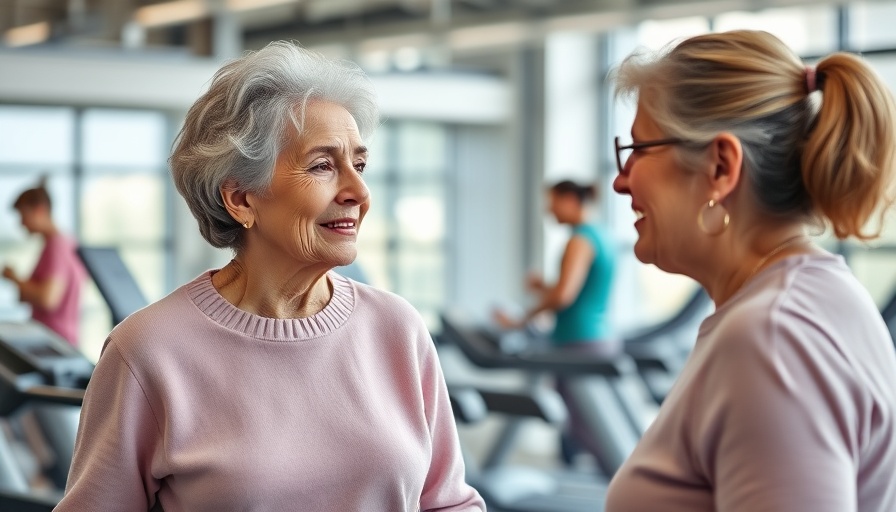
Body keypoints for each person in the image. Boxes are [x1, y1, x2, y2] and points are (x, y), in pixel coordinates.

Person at [55, 41, 484, 512]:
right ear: (241, 199)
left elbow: (449, 503)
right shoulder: (147, 351)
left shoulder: (398, 329)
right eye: (323, 165)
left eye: (359, 165)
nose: (359, 191)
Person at [606, 30, 896, 511]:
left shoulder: (774, 337)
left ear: (721, 166)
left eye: (640, 149)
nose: (621, 180)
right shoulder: (808, 302)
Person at [493, 179, 618, 466]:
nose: (549, 210)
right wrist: (542, 288)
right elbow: (578, 291)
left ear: (571, 200)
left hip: (577, 342)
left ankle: (628, 492)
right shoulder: (602, 235)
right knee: (590, 424)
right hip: (597, 338)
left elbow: (564, 296)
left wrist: (520, 321)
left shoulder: (579, 240)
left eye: (553, 202)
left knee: (585, 427)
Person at [2, 178, 86, 346]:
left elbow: (48, 298)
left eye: (23, 215)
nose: (21, 223)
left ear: (40, 210)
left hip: (52, 341)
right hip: (62, 339)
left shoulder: (56, 246)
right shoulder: (68, 242)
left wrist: (14, 279)